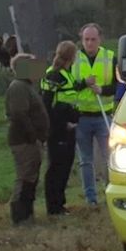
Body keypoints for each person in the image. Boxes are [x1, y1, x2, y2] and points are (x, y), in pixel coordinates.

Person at [71, 23, 119, 206]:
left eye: (93, 39)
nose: (89, 43)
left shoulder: (110, 57)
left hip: (103, 116)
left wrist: (103, 89)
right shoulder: (74, 59)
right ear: (82, 40)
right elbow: (68, 86)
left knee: (110, 158)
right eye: (86, 39)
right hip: (81, 117)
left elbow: (118, 85)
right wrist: (84, 83)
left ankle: (111, 195)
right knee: (85, 160)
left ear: (100, 39)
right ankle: (91, 199)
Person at [5, 53, 49, 225]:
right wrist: (33, 137)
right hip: (24, 140)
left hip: (30, 140)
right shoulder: (18, 87)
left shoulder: (27, 86)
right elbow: (19, 114)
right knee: (24, 176)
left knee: (31, 176)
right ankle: (20, 215)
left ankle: (28, 213)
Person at [40, 40, 80, 215]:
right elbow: (47, 105)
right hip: (58, 129)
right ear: (71, 56)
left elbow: (69, 95)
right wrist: (63, 123)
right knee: (56, 167)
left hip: (69, 127)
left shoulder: (66, 73)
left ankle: (60, 203)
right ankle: (54, 206)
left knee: (65, 166)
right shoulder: (54, 75)